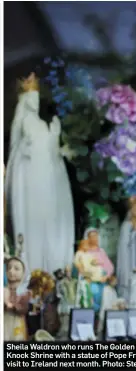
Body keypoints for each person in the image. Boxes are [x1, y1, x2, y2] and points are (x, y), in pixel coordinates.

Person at [5, 72, 75, 274]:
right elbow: (17, 146)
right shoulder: (24, 117)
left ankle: (55, 271)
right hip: (32, 178)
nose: (32, 81)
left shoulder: (50, 120)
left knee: (52, 220)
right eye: (27, 79)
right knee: (33, 223)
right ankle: (33, 272)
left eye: (34, 79)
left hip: (51, 177)